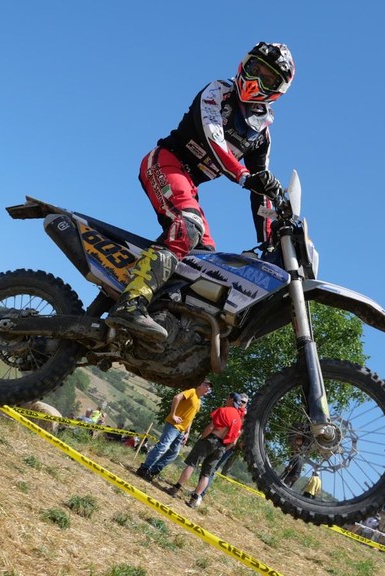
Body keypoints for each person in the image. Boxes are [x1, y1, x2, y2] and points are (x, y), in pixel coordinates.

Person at [104, 43, 296, 342]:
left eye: (267, 78)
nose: (256, 79)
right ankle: (131, 303)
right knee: (188, 226)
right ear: (244, 63)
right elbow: (213, 139)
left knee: (206, 261)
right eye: (255, 69)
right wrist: (245, 176)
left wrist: (270, 239)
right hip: (166, 162)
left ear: (277, 89)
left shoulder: (261, 135)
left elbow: (261, 191)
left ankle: (162, 316)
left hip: (190, 185)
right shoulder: (219, 91)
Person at [166, 392, 246, 508]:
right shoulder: (239, 421)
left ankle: (175, 489)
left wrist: (202, 438)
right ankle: (194, 500)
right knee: (206, 474)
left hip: (210, 440)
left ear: (231, 400)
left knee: (192, 464)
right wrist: (224, 449)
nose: (226, 399)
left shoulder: (223, 410)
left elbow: (211, 427)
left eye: (227, 398)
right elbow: (233, 442)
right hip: (222, 447)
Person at [136, 380, 212, 481]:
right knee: (163, 446)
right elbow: (177, 397)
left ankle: (152, 471)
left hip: (181, 430)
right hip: (174, 425)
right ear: (199, 385)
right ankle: (144, 468)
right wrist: (173, 415)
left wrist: (187, 432)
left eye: (209, 388)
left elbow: (191, 418)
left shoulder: (199, 401)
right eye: (206, 385)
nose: (208, 389)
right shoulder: (192, 391)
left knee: (173, 453)